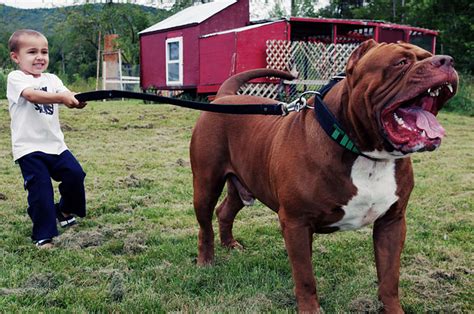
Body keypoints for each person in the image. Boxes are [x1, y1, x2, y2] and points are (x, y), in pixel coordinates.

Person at [6, 29, 87, 249]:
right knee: (41, 190)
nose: (40, 57)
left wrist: (77, 100)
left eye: (44, 51)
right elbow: (32, 95)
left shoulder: (52, 79)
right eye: (32, 52)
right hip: (29, 149)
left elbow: (67, 93)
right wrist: (61, 98)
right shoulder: (16, 78)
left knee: (75, 174)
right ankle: (43, 235)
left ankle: (64, 209)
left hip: (56, 145)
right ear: (16, 57)